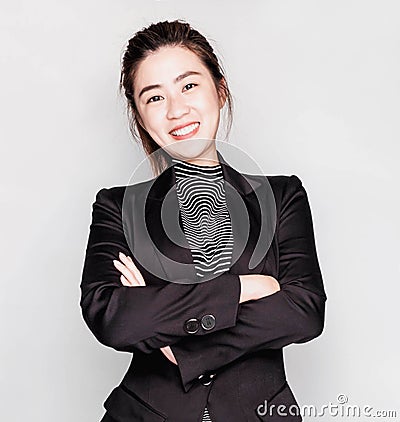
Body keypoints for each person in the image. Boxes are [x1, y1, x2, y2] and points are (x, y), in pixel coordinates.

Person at [80, 20, 327, 422]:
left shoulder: (282, 197)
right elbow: (115, 319)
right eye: (154, 98)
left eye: (189, 86)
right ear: (141, 117)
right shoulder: (117, 207)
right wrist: (245, 287)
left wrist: (174, 340)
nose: (177, 110)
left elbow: (303, 311)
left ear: (221, 89)